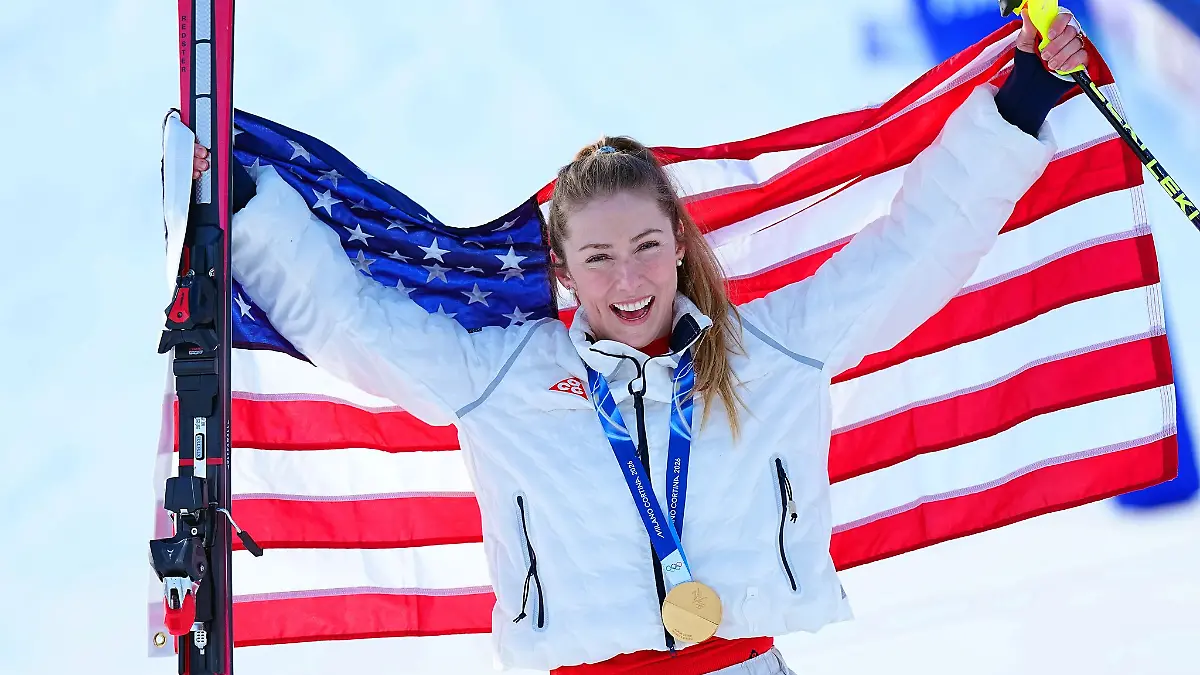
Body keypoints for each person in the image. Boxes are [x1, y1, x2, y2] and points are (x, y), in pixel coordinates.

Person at [188, 11, 1087, 675]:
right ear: (565, 270)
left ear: (682, 243)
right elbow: (351, 322)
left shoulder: (766, 352)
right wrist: (250, 213)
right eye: (600, 257)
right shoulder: (502, 376)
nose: (629, 281)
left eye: (648, 246)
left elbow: (911, 252)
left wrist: (1017, 113)